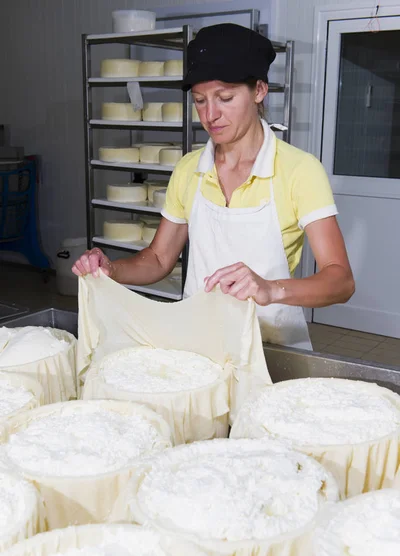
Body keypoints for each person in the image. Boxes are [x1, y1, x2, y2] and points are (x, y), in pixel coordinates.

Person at [73, 23, 355, 350]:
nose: (211, 115)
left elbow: (341, 280)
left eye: (225, 98)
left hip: (271, 347)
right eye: (200, 100)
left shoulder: (299, 171)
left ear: (259, 91)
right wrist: (112, 269)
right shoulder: (189, 169)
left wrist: (269, 289)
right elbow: (158, 259)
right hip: (199, 343)